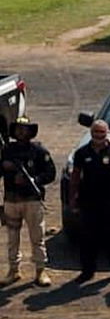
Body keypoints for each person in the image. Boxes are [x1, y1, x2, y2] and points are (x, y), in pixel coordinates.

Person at [69, 119, 110, 284]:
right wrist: (72, 198)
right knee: (88, 238)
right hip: (88, 202)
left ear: (106, 133)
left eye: (101, 132)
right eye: (96, 132)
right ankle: (87, 271)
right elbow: (75, 176)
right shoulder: (82, 153)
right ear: (91, 132)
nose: (98, 135)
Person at [1, 117, 56, 287]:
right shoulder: (7, 150)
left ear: (30, 132)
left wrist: (33, 179)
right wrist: (5, 166)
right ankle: (13, 270)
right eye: (18, 129)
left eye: (24, 129)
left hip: (32, 200)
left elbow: (50, 173)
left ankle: (41, 270)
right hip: (12, 200)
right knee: (12, 238)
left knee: (37, 237)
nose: (21, 132)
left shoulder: (38, 151)